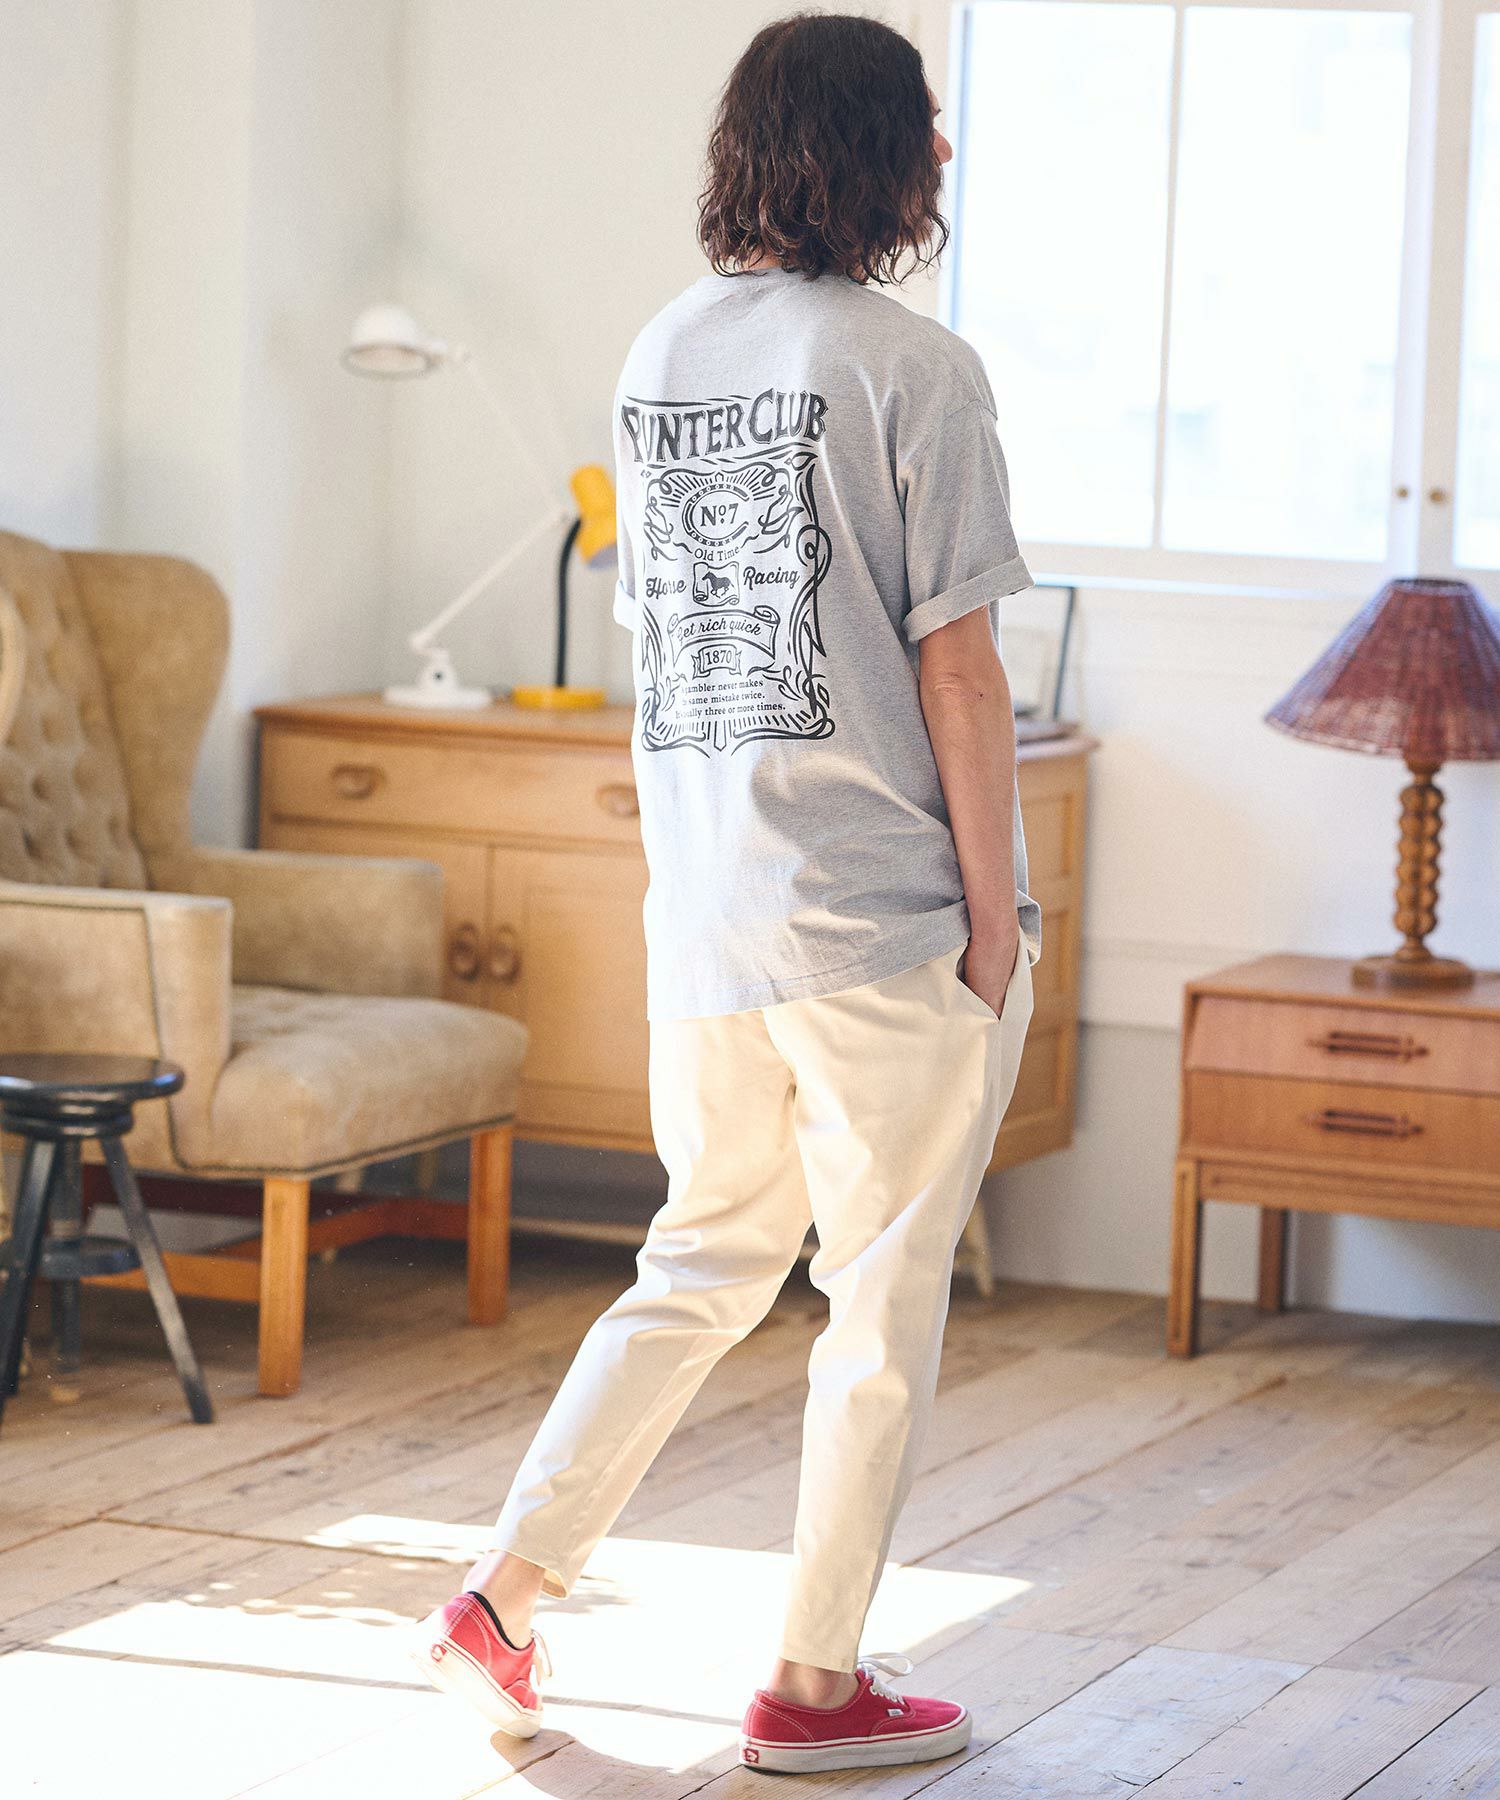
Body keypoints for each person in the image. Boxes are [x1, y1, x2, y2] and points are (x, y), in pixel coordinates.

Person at [414, 12, 1041, 1776]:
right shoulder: (918, 368)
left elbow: (679, 658)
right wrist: (999, 927)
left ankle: (501, 1595)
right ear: (877, 151)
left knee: (697, 1264)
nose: (943, 154)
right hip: (882, 921)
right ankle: (815, 1690)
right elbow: (962, 670)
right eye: (924, 125)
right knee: (881, 1310)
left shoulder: (664, 350)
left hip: (708, 918)